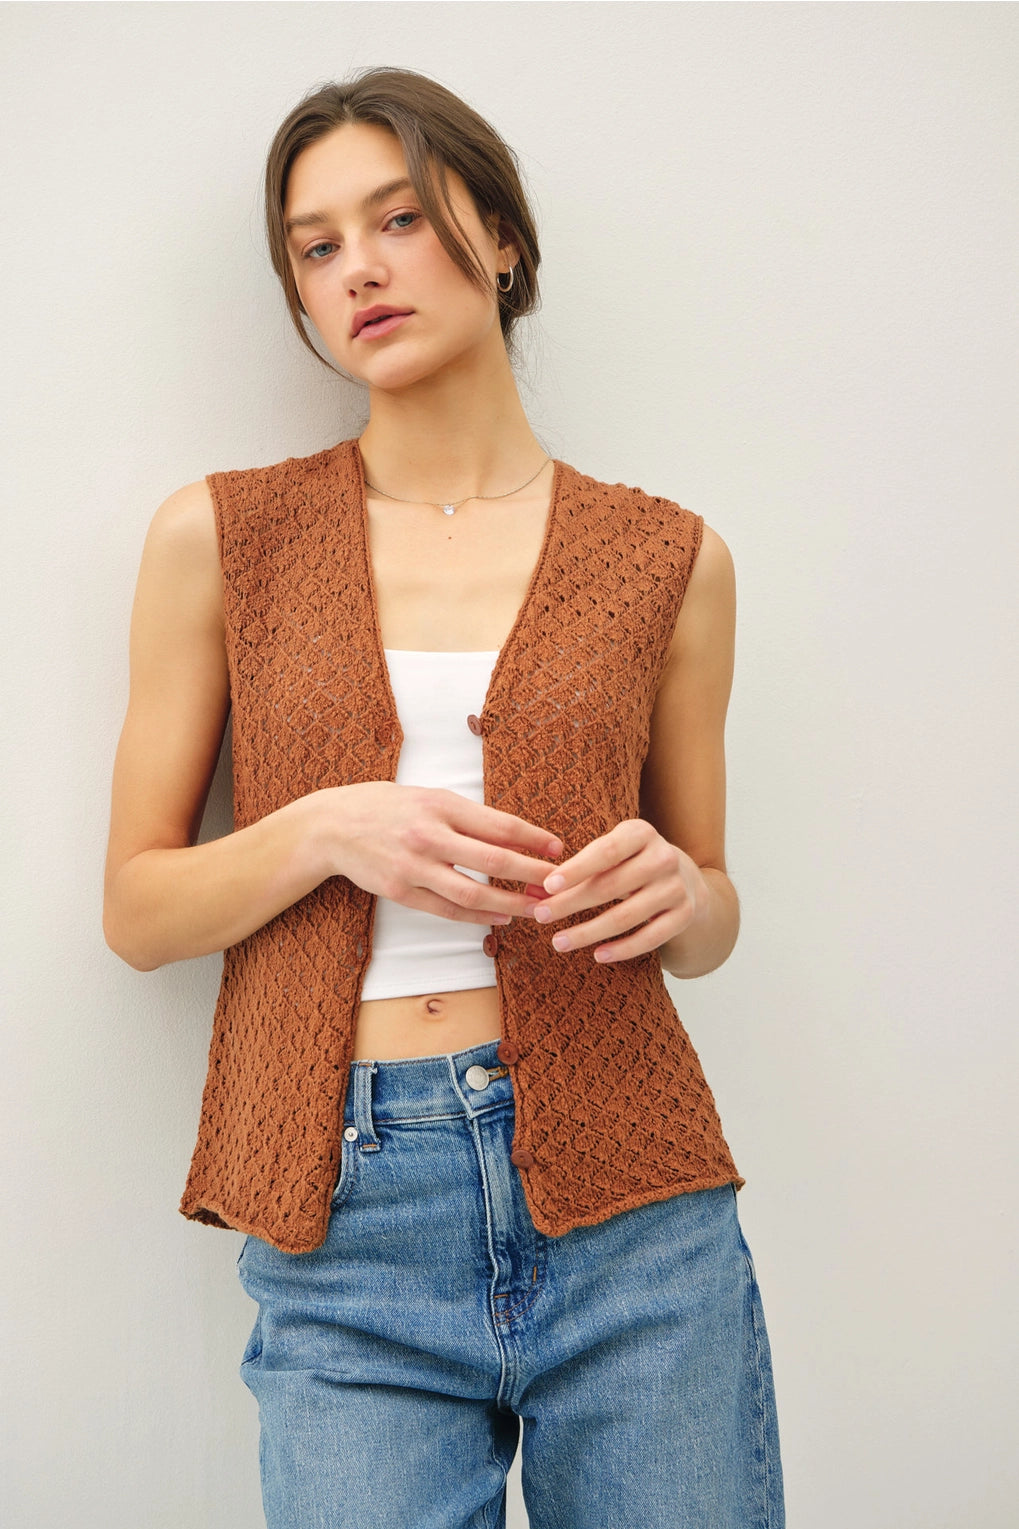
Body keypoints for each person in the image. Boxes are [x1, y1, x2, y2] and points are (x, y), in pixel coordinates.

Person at [103, 67, 783, 1529]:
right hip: (350, 1210)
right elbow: (138, 907)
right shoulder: (222, 538)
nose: (360, 268)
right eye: (316, 245)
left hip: (631, 1205)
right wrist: (326, 826)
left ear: (501, 236)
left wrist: (688, 890)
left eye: (398, 218)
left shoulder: (670, 558)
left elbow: (712, 903)